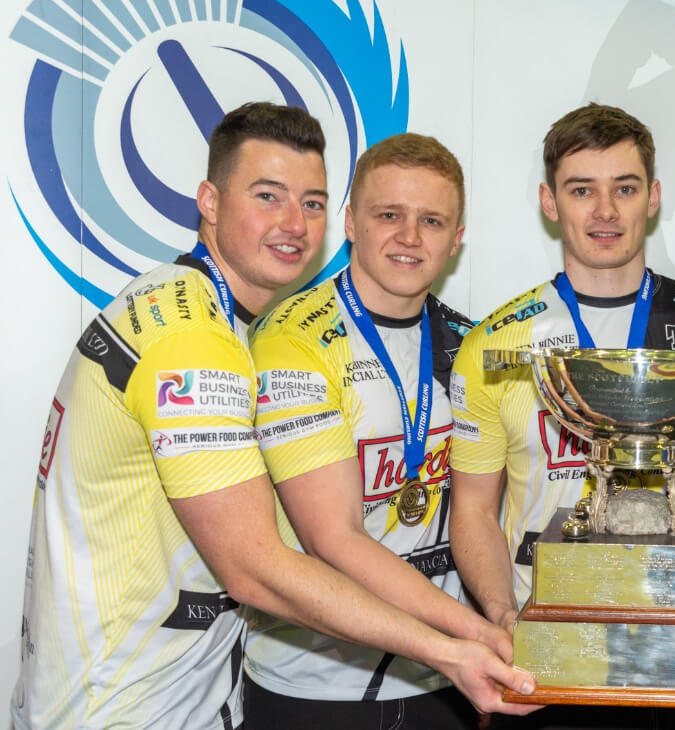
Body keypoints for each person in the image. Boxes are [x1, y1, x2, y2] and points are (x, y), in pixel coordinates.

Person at [12, 103, 533, 729]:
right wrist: (455, 650)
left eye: (311, 203)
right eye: (268, 196)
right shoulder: (192, 336)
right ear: (210, 200)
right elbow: (257, 568)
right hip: (124, 706)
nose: (294, 224)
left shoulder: (203, 316)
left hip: (183, 693)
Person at [448, 103, 675, 727]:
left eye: (624, 188)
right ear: (550, 202)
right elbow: (471, 508)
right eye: (582, 190)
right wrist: (502, 615)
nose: (604, 212)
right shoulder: (495, 344)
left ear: (652, 197)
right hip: (545, 662)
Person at [241, 132, 515, 728]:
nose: (409, 236)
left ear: (456, 240)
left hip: (442, 680)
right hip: (314, 681)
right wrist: (475, 632)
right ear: (350, 223)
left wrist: (503, 615)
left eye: (432, 220)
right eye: (388, 214)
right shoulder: (294, 338)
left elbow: (480, 514)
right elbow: (331, 539)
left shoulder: (471, 346)